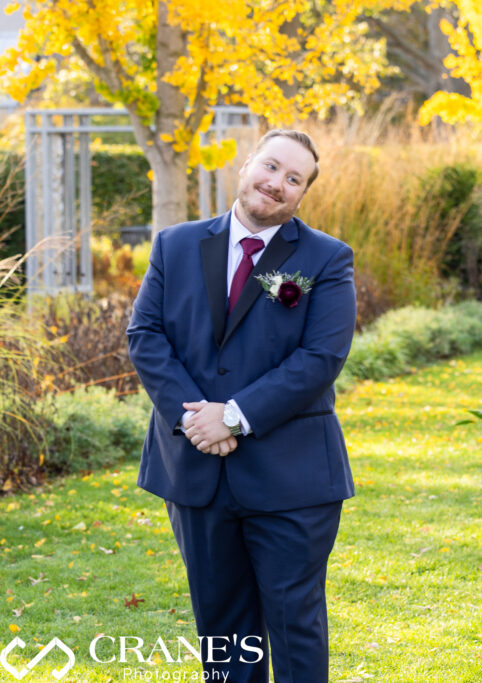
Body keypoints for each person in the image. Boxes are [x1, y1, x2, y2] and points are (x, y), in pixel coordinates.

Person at [127, 129, 357, 683]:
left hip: (292, 477)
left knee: (294, 624)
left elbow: (320, 358)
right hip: (196, 472)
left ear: (302, 194)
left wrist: (232, 415)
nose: (276, 183)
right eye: (271, 167)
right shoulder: (175, 245)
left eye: (293, 179)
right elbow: (147, 336)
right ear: (247, 165)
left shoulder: (325, 260)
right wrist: (193, 417)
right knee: (223, 633)